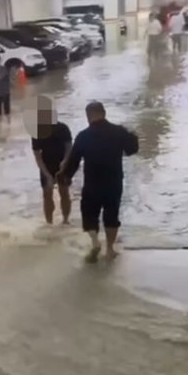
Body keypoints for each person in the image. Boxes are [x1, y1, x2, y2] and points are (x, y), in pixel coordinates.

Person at [58, 101, 138, 262]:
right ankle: (109, 249)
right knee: (111, 215)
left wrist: (65, 177)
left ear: (88, 116)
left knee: (89, 213)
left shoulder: (83, 135)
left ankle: (95, 242)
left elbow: (73, 161)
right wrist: (132, 133)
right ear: (104, 113)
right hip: (114, 182)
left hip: (92, 183)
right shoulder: (118, 132)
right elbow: (132, 150)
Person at [31, 97, 72, 225]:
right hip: (46, 165)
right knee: (47, 194)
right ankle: (49, 223)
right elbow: (37, 156)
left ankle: (65, 220)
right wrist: (46, 174)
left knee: (64, 192)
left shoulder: (63, 128)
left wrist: (65, 162)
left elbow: (69, 148)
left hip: (63, 164)